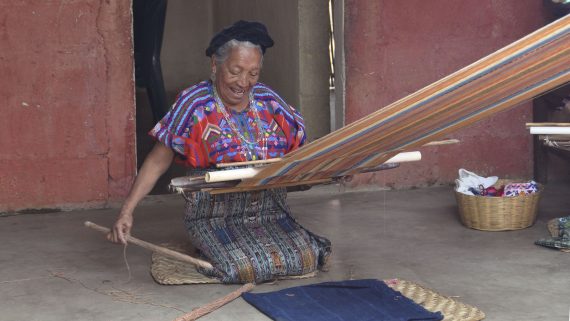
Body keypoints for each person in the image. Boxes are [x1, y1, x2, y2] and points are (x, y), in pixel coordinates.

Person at [108, 20, 331, 284]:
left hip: (269, 211)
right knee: (242, 268)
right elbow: (159, 159)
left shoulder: (269, 102)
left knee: (304, 257)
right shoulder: (195, 104)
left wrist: (337, 168)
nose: (244, 82)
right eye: (236, 71)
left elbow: (304, 153)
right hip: (213, 217)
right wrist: (127, 211)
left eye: (253, 73)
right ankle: (214, 245)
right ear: (215, 65)